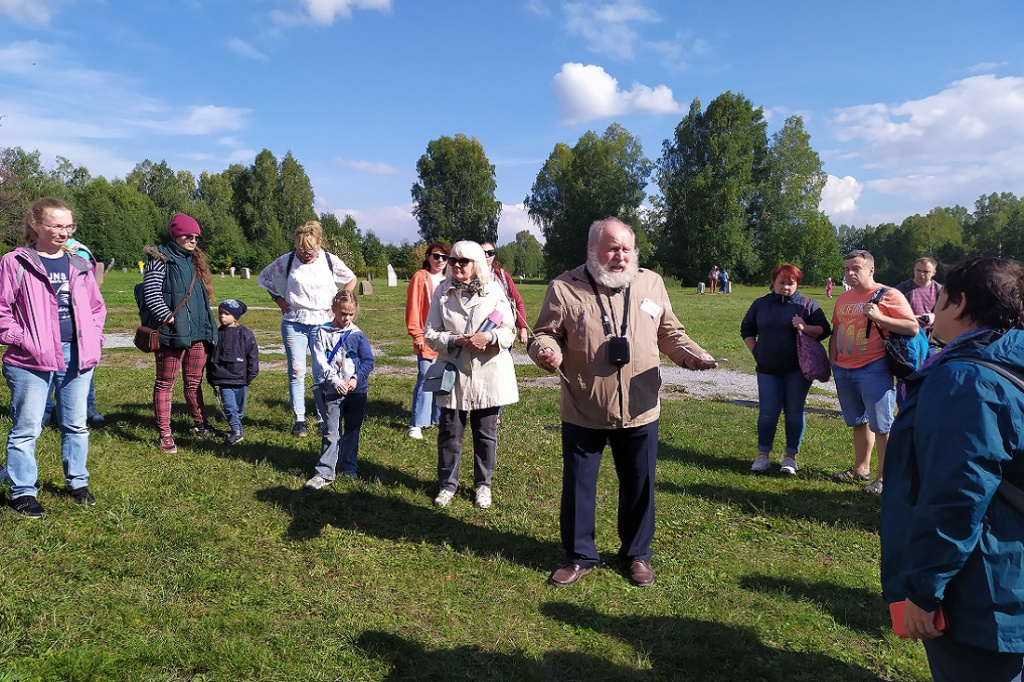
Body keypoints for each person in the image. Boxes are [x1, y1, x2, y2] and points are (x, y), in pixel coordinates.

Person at [529, 217, 718, 588]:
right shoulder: (564, 287)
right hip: (584, 406)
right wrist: (546, 352)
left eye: (626, 249)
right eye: (612, 249)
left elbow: (670, 333)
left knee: (640, 484)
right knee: (579, 487)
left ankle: (636, 555)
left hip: (640, 407)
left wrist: (693, 356)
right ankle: (580, 556)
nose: (620, 256)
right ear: (592, 250)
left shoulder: (651, 283)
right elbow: (543, 334)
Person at [880, 257, 1024, 681]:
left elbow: (956, 497)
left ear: (959, 303)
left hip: (983, 590)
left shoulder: (967, 380)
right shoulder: (1011, 357)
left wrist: (924, 592)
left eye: (941, 296)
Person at [0, 198, 106, 517]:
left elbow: (96, 308)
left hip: (77, 355)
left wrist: (95, 339)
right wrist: (23, 339)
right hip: (30, 359)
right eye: (56, 225)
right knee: (27, 428)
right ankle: (23, 492)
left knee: (76, 425)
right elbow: (2, 310)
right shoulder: (15, 262)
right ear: (36, 225)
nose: (64, 232)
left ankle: (78, 482)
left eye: (69, 226)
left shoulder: (79, 264)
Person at [424, 241, 518, 510]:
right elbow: (430, 333)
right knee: (449, 432)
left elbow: (509, 331)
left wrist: (488, 337)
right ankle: (447, 485)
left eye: (463, 261)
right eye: (452, 260)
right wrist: (455, 340)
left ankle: (483, 485)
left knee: (485, 433)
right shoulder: (442, 291)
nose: (456, 265)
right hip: (454, 371)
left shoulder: (494, 290)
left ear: (476, 264)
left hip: (488, 372)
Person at [828, 249, 918, 494]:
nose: (850, 273)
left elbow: (912, 327)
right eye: (847, 269)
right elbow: (836, 331)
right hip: (844, 368)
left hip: (874, 368)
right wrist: (833, 362)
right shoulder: (843, 298)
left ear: (871, 270)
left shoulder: (889, 295)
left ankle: (884, 478)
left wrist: (879, 317)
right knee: (859, 421)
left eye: (855, 268)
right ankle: (861, 469)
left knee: (882, 426)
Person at [258, 221, 357, 437]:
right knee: (296, 371)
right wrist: (278, 299)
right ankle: (299, 420)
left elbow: (351, 279)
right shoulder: (288, 260)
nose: (305, 255)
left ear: (319, 244)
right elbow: (265, 277)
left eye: (310, 250)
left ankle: (323, 419)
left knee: (322, 371)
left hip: (322, 324)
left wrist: (338, 303)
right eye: (301, 250)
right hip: (294, 323)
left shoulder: (329, 261)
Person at [141, 213, 223, 455]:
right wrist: (168, 317)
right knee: (165, 383)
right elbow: (151, 293)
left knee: (194, 382)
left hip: (198, 332)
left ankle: (201, 425)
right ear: (176, 235)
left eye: (196, 237)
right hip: (172, 333)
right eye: (188, 236)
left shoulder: (194, 260)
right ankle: (165, 434)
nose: (193, 240)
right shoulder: (160, 259)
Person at [741, 264, 831, 475]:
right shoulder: (761, 304)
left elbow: (824, 330)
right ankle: (763, 456)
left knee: (794, 412)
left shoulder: (807, 305)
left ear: (797, 284)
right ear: (773, 282)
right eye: (781, 282)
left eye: (791, 283)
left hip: (797, 371)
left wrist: (803, 326)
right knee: (767, 412)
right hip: (767, 369)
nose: (785, 287)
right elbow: (746, 329)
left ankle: (790, 458)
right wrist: (757, 352)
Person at [304, 290, 375, 488]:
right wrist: (336, 382)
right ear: (333, 309)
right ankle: (325, 472)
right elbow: (320, 362)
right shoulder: (321, 333)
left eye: (351, 314)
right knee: (330, 431)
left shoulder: (358, 335)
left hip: (356, 391)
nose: (347, 318)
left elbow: (368, 361)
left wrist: (355, 379)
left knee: (352, 430)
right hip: (332, 391)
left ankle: (348, 467)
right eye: (343, 313)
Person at [42, 234, 104, 425]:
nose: (61, 232)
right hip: (43, 333)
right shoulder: (34, 253)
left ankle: (87, 407)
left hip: (77, 332)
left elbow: (92, 295)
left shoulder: (80, 253)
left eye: (66, 226)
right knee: (44, 374)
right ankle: (43, 411)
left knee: (81, 370)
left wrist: (94, 335)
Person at [405, 241, 450, 440]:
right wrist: (417, 335)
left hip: (446, 338)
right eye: (436, 256)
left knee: (443, 378)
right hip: (426, 337)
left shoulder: (450, 279)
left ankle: (438, 418)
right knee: (425, 376)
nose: (440, 260)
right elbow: (413, 307)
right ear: (428, 257)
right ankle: (417, 424)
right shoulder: (420, 277)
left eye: (444, 257)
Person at [206, 299, 259, 446]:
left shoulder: (246, 334)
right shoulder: (216, 335)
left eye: (226, 313)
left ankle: (237, 427)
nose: (222, 316)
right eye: (220, 313)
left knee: (239, 409)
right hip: (223, 379)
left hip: (241, 379)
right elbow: (210, 357)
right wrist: (211, 375)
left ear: (235, 316)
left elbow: (253, 356)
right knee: (229, 407)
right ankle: (236, 431)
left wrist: (251, 374)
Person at [480, 241, 529, 344]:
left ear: (494, 255)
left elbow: (518, 301)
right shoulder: (469, 276)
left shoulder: (502, 276)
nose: (486, 255)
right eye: (482, 252)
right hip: (478, 328)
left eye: (490, 252)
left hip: (502, 330)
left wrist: (523, 328)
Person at [895, 257, 943, 346]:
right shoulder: (902, 289)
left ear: (933, 273)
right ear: (914, 269)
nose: (921, 274)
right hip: (907, 339)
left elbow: (947, 313)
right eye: (918, 270)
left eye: (926, 271)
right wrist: (912, 318)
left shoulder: (940, 291)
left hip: (930, 340)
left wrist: (934, 317)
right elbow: (891, 313)